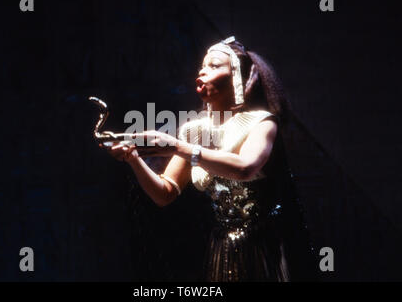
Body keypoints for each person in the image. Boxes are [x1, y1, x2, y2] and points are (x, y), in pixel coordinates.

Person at [101, 36, 315, 281]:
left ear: (237, 76)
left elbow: (245, 168)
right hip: (222, 247)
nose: (202, 72)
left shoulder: (261, 122)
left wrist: (177, 147)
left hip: (263, 245)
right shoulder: (194, 131)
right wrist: (133, 158)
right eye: (202, 66)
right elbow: (165, 193)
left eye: (214, 65)